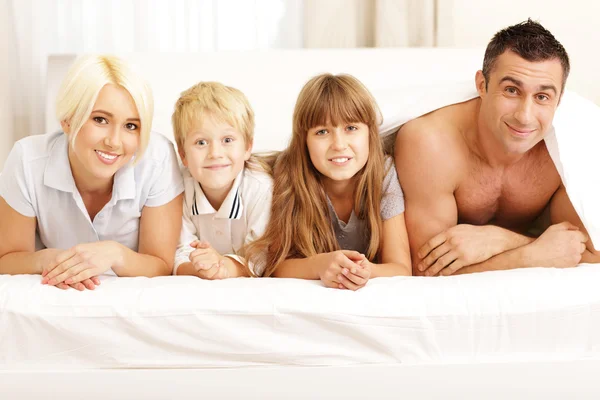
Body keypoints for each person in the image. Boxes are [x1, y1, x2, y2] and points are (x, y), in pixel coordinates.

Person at [394, 19, 599, 277]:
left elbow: (590, 252)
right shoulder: (431, 142)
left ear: (559, 100)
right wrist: (533, 252)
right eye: (511, 90)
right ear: (482, 85)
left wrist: (501, 240)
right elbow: (425, 267)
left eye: (542, 97)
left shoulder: (571, 149)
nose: (525, 116)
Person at [0, 55, 184, 290]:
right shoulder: (27, 159)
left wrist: (115, 254)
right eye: (100, 119)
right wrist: (50, 259)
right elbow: (7, 259)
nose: (114, 142)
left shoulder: (157, 159)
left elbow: (161, 264)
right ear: (67, 120)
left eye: (131, 126)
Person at [248, 73, 411, 290]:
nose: (339, 144)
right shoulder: (289, 172)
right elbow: (275, 266)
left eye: (351, 128)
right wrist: (318, 265)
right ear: (304, 141)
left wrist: (366, 270)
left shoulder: (384, 174)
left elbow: (401, 268)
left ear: (370, 133)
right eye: (322, 132)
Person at [172, 82, 273, 279]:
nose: (215, 154)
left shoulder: (260, 189)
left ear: (247, 147)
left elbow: (262, 259)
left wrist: (222, 267)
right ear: (183, 154)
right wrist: (200, 268)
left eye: (227, 140)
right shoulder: (178, 188)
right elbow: (178, 252)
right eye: (201, 142)